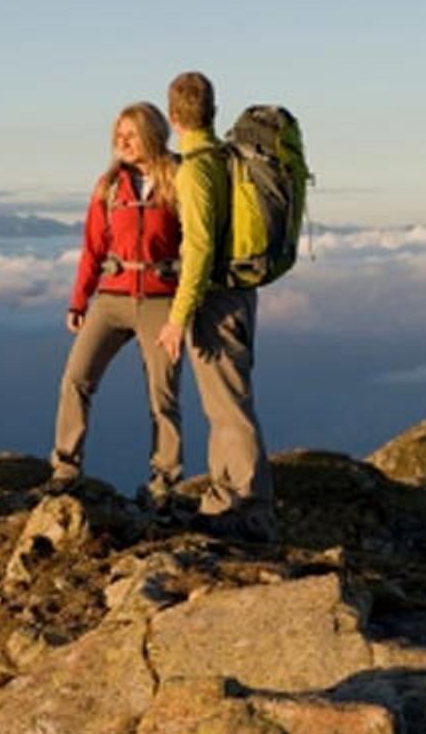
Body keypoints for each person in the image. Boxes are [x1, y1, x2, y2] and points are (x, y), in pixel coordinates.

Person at [154, 71, 277, 541]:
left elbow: (200, 248)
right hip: (238, 294)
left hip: (217, 300)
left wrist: (177, 317)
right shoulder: (224, 159)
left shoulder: (195, 169)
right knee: (223, 401)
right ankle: (224, 499)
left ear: (173, 117)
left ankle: (252, 509)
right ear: (213, 112)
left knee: (229, 406)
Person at [49, 102, 183, 506]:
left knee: (163, 394)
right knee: (76, 378)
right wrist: (79, 300)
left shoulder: (179, 180)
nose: (121, 142)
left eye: (131, 134)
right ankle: (65, 469)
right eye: (118, 135)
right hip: (111, 299)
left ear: (153, 135)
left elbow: (195, 244)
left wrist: (182, 312)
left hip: (161, 300)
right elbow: (92, 248)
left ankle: (165, 480)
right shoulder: (108, 186)